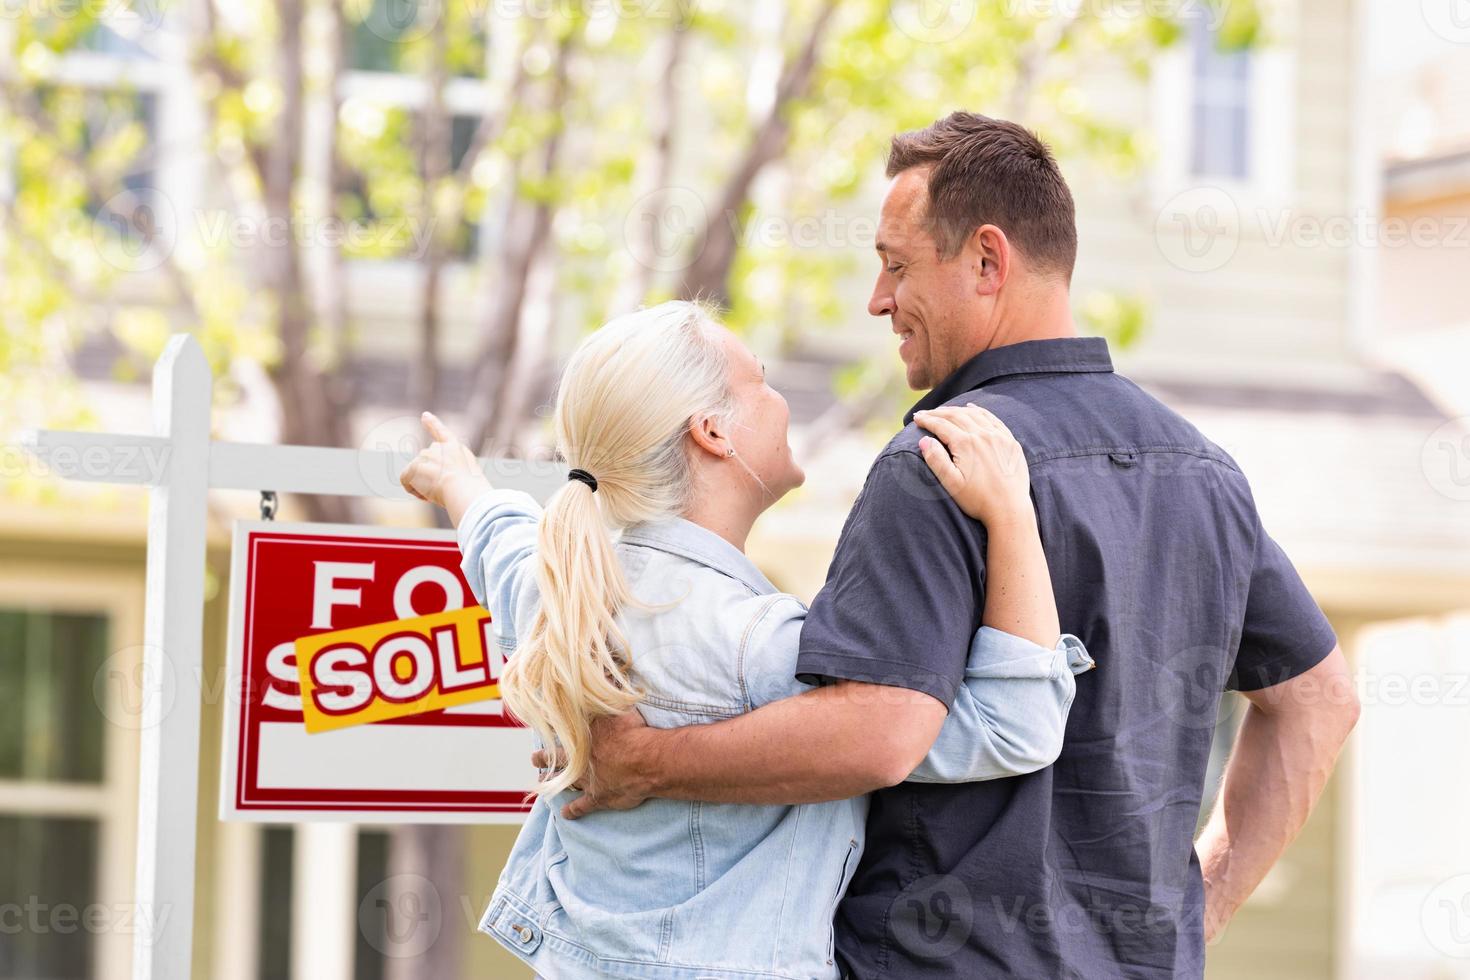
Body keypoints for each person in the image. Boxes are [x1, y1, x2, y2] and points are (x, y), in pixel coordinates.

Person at [552, 113, 1362, 978]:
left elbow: (874, 733)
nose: (877, 299)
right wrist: (1199, 911)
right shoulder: (1202, 473)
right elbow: (1320, 701)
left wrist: (647, 762)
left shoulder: (935, 462)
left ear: (986, 260)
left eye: (896, 266)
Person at [398, 300, 1094, 979]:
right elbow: (1012, 724)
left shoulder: (559, 596)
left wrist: (461, 482)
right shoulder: (757, 647)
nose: (781, 398)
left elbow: (502, 541)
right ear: (712, 432)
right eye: (759, 380)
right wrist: (1009, 513)